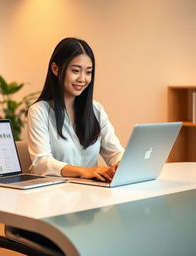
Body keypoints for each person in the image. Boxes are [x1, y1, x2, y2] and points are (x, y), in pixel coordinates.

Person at [27, 37, 124, 182]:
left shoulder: (96, 109)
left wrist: (121, 163)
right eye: (76, 71)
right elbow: (41, 163)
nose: (82, 79)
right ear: (55, 68)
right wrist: (85, 171)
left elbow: (115, 152)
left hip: (91, 194)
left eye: (88, 72)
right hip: (55, 196)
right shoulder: (39, 111)